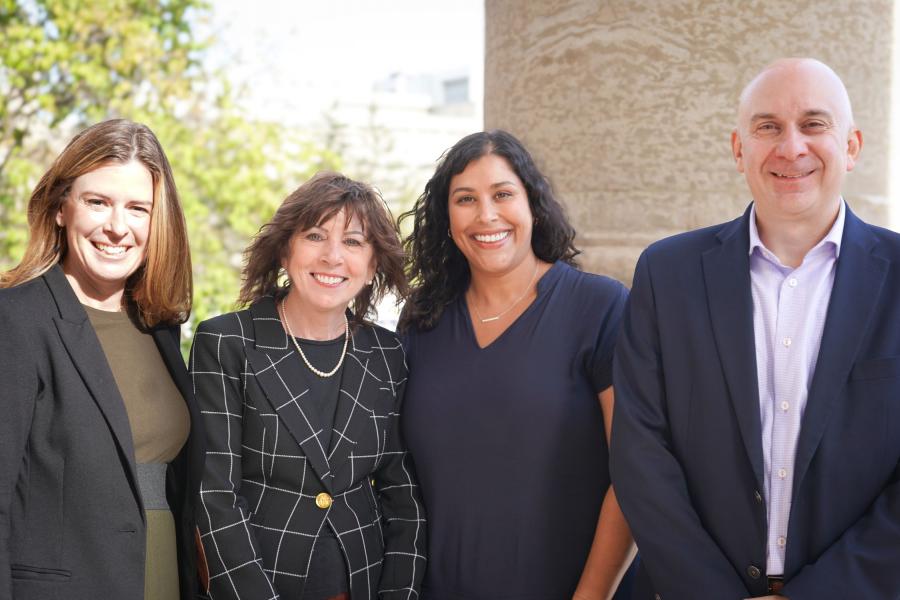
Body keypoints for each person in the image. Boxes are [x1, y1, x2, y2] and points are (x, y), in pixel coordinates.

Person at [611, 57, 900, 599]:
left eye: (814, 124)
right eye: (767, 126)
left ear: (853, 146)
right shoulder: (667, 273)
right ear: (739, 149)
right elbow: (640, 452)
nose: (791, 147)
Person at [399, 130, 635, 600]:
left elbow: (633, 475)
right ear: (447, 219)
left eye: (503, 194)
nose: (486, 215)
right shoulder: (423, 318)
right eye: (465, 199)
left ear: (532, 204)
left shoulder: (600, 306)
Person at [192, 172, 425, 600]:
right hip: (260, 583)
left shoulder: (388, 354)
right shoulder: (227, 342)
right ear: (285, 250)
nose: (333, 256)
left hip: (363, 583)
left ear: (373, 265)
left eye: (354, 242)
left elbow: (403, 497)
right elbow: (215, 496)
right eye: (315, 236)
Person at [0, 119, 203, 599]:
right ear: (60, 209)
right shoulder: (16, 320)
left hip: (161, 578)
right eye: (98, 202)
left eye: (138, 208)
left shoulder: (159, 326)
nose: (117, 226)